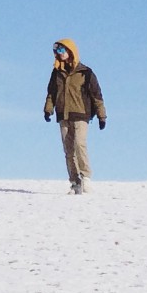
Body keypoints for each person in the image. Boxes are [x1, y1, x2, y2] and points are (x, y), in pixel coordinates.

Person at [42, 37, 105, 193]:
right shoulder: (56, 73)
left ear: (70, 51)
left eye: (61, 50)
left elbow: (96, 95)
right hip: (63, 115)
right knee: (68, 150)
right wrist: (48, 109)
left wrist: (101, 115)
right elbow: (51, 93)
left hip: (81, 114)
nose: (59, 53)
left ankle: (86, 178)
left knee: (79, 144)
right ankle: (75, 182)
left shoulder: (85, 73)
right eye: (56, 51)